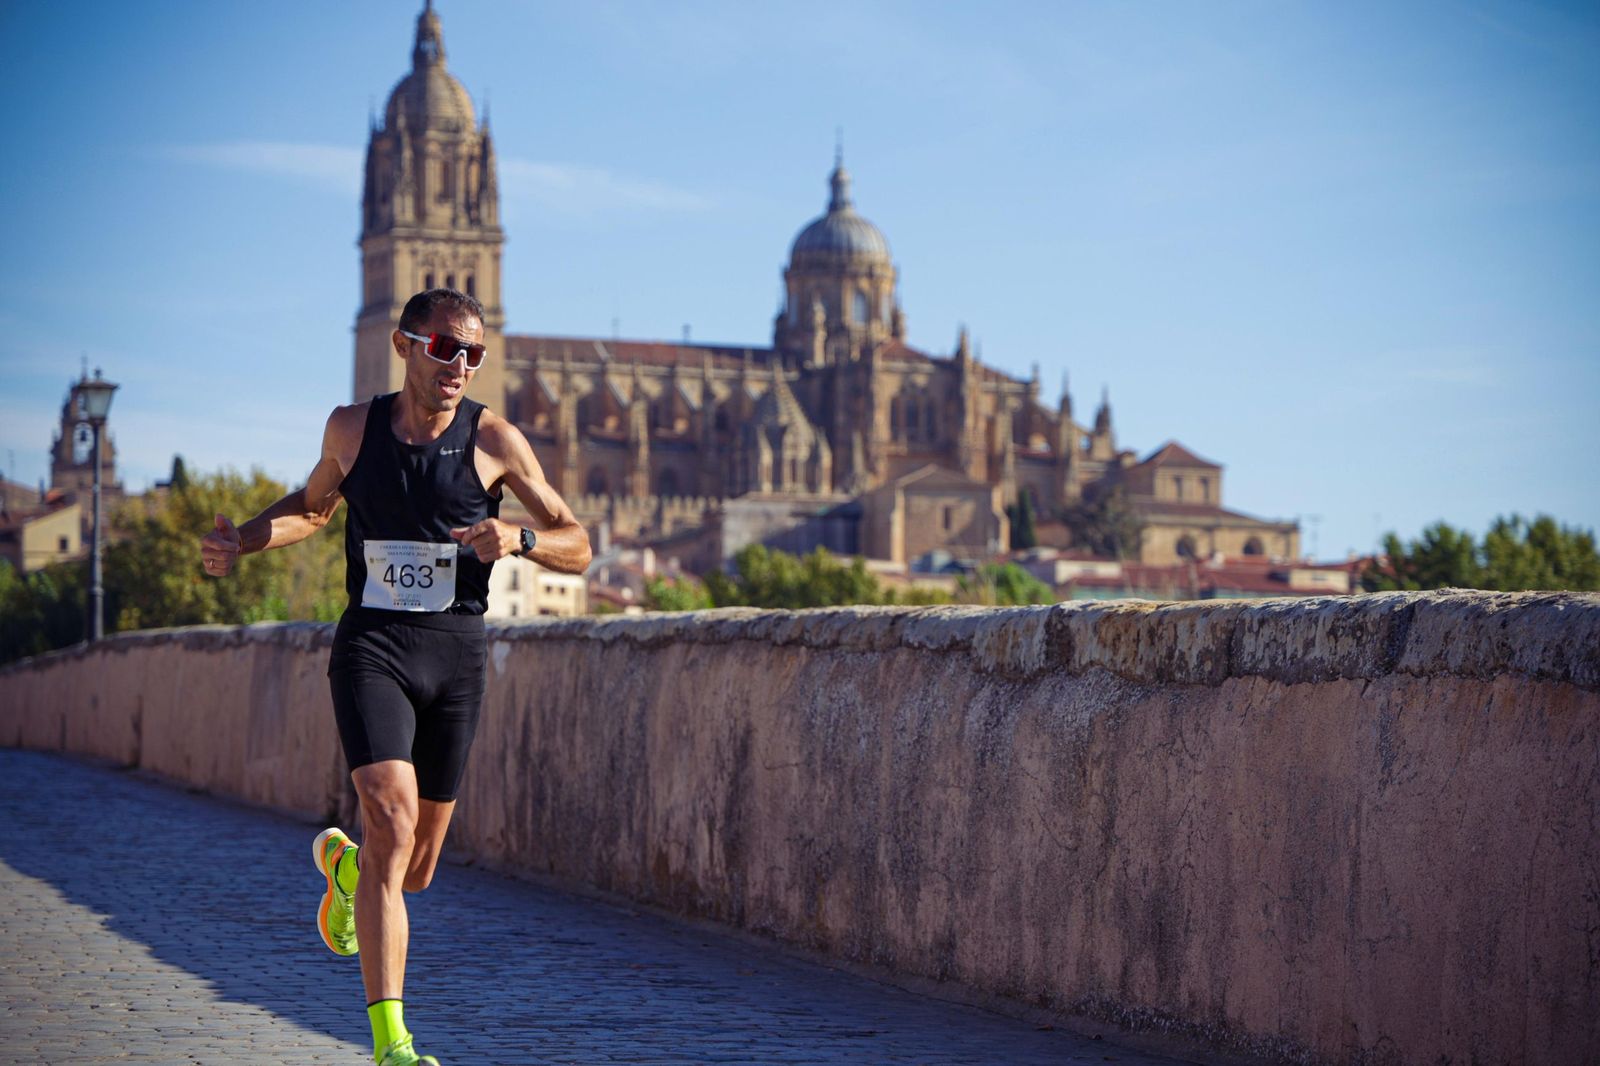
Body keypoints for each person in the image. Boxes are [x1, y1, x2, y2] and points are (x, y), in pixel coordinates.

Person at [199, 288, 591, 1066]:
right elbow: (312, 510)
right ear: (405, 344)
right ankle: (393, 1044)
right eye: (446, 347)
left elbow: (577, 544)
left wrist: (518, 540)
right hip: (373, 645)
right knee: (392, 813)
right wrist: (240, 541)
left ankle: (346, 866)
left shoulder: (497, 442)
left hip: (456, 657)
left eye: (473, 353)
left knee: (413, 868)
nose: (460, 365)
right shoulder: (353, 427)